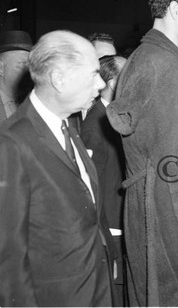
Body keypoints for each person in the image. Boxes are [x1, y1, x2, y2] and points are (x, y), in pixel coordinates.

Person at [106, 0, 178, 306]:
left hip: (155, 203)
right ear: (174, 10)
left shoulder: (149, 56)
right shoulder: (164, 61)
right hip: (169, 210)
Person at [0, 30, 114, 306]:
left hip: (93, 290)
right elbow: (8, 259)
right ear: (59, 80)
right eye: (93, 74)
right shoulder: (12, 144)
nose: (101, 83)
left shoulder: (67, 127)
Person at [81, 55, 128, 306]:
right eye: (127, 75)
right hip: (111, 227)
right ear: (112, 82)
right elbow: (91, 185)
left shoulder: (115, 117)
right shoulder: (94, 125)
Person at [0, 30, 33, 123]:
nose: (29, 72)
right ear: (1, 68)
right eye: (22, 64)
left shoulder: (32, 105)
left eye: (30, 66)